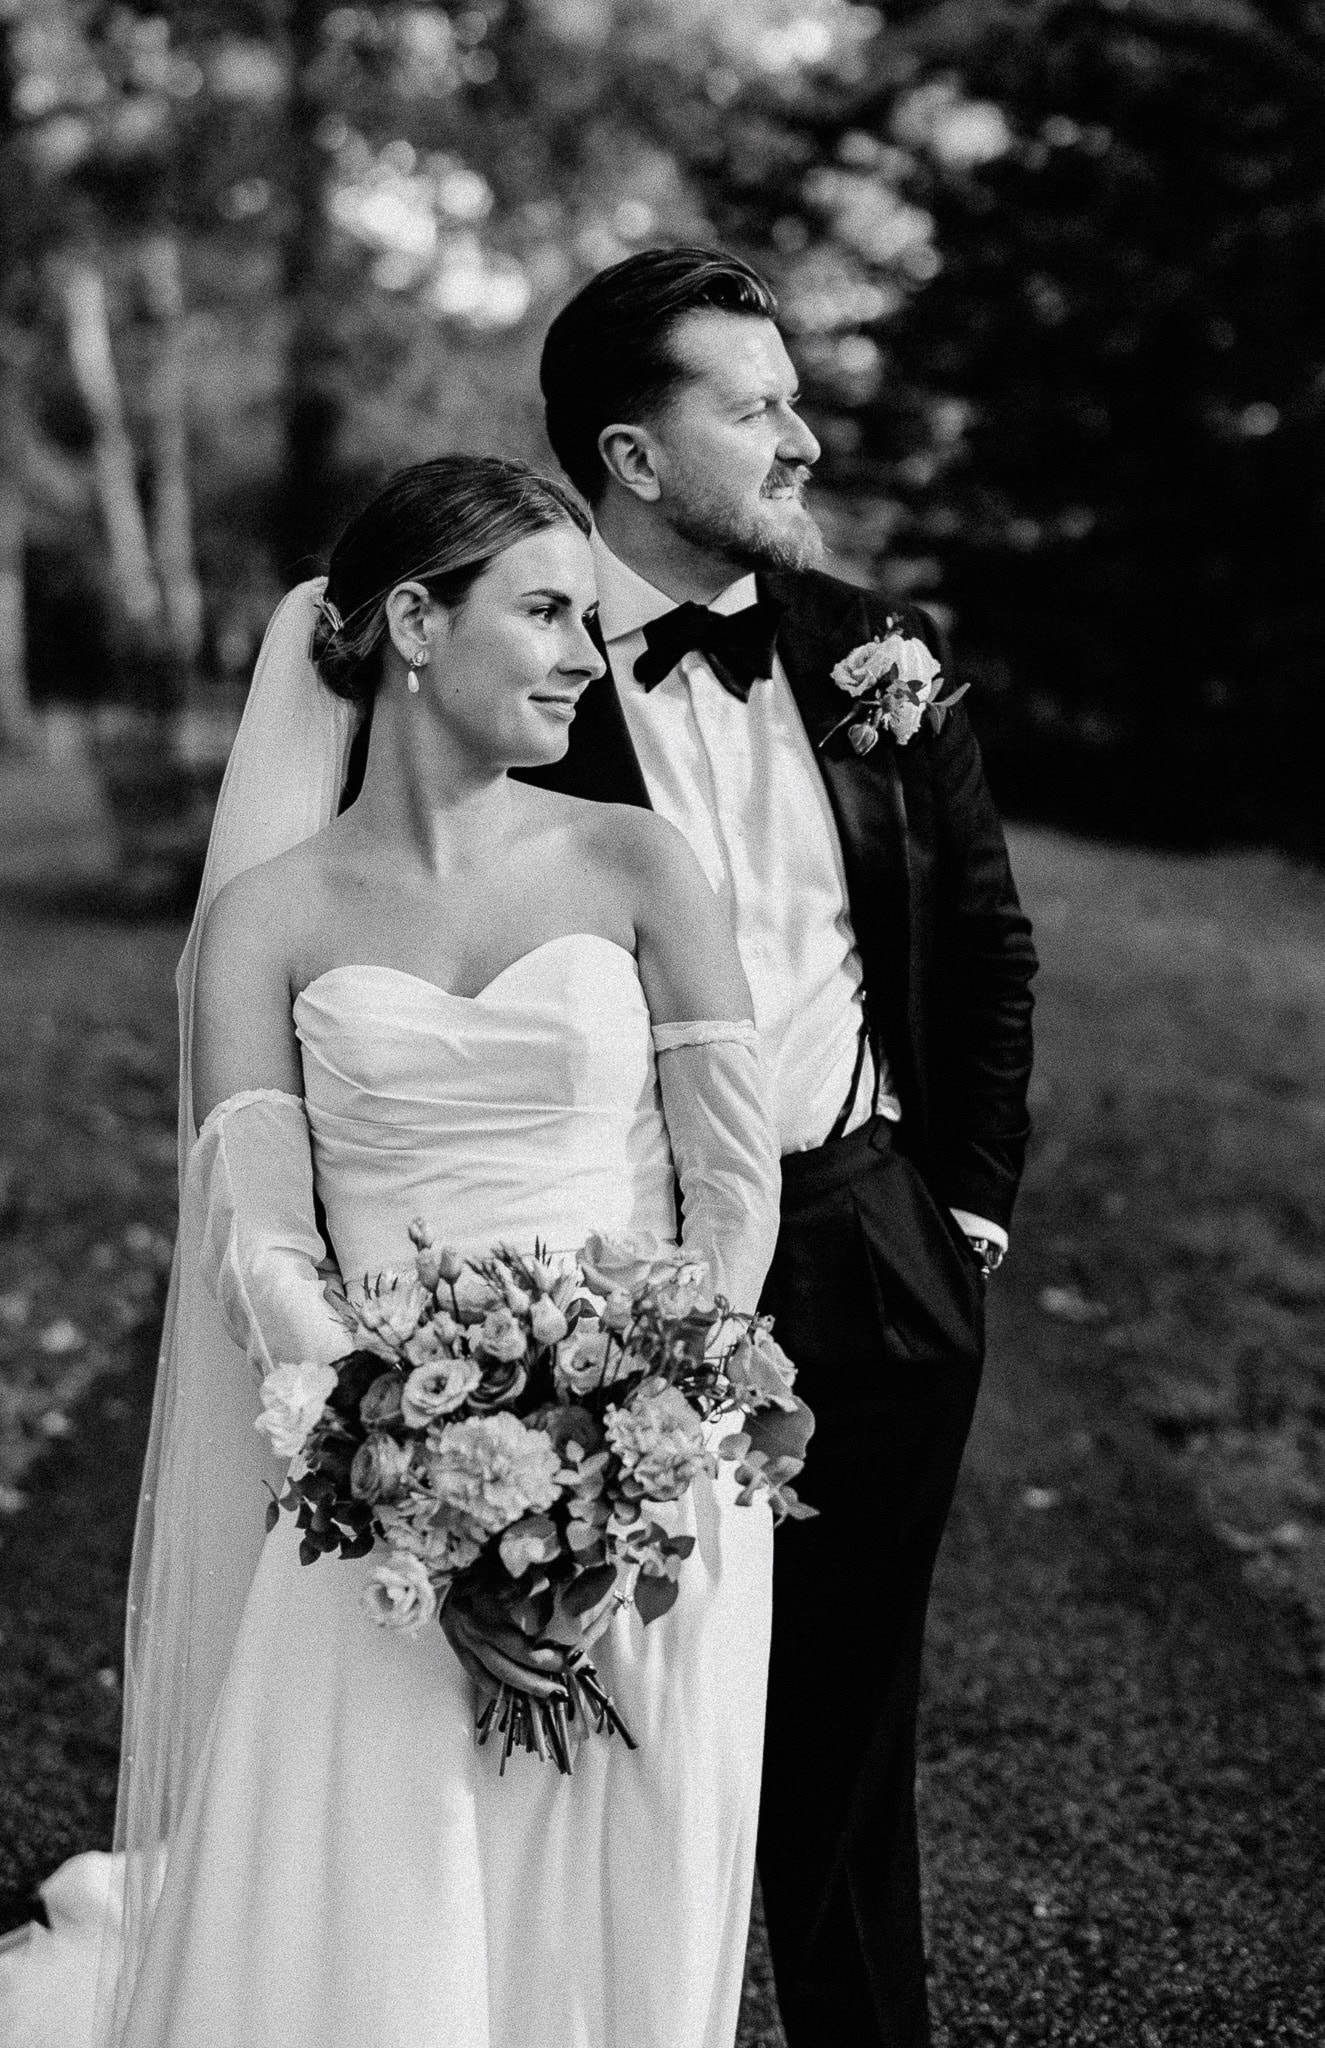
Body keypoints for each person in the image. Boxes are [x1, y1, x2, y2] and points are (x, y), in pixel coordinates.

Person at [0, 454, 783, 2048]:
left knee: (621, 1909)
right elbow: (258, 1242)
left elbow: (730, 1193)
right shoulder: (261, 921)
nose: (579, 657)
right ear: (415, 620)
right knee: (387, 1922)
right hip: (379, 1507)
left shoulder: (638, 863)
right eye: (545, 612)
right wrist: (414, 1484)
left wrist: (647, 1455)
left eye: (590, 626)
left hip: (662, 1495)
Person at [528, 247, 1039, 2048]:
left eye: (793, 398)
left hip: (869, 1248)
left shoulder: (862, 657)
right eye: (752, 409)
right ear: (635, 456)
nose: (802, 440)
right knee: (578, 1711)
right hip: (594, 1281)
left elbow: (981, 947)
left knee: (840, 1731)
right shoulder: (502, 662)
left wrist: (959, 1218)